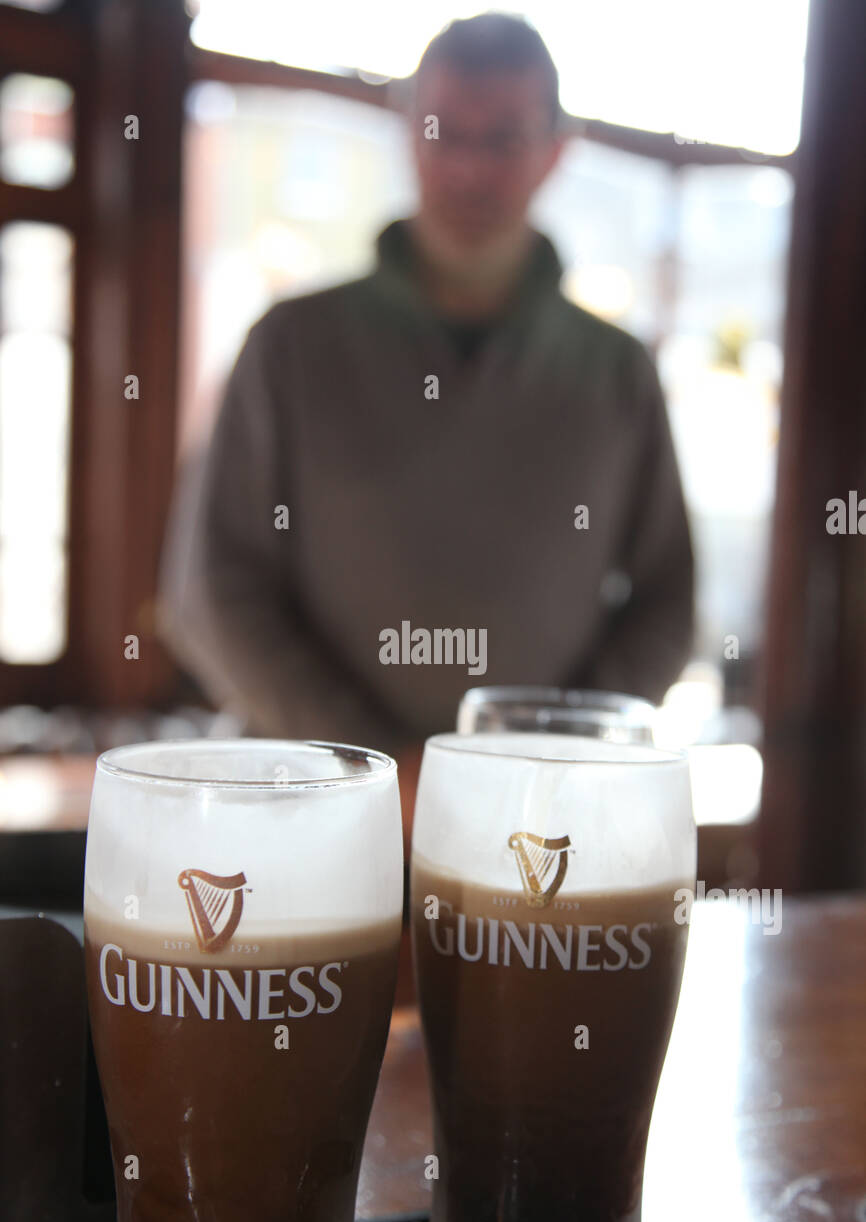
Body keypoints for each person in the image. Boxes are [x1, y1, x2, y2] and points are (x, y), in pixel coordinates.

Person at [157, 12, 694, 855]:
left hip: (536, 830)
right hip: (300, 819)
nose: (471, 166)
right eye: (447, 131)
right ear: (406, 129)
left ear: (558, 149)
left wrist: (543, 760)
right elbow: (209, 590)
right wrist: (379, 773)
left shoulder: (617, 372)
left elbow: (669, 601)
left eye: (505, 137)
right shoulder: (290, 346)